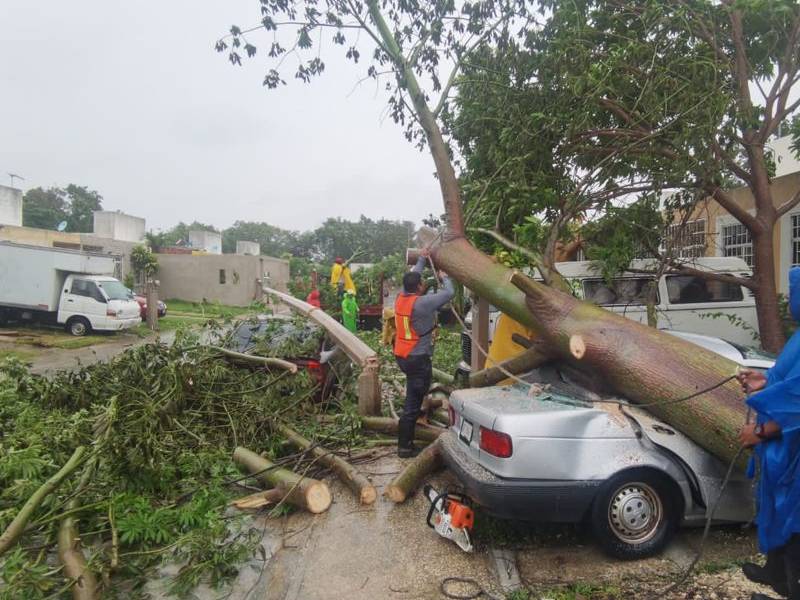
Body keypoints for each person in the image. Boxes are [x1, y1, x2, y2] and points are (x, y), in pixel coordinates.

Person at [737, 267, 800, 600]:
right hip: (785, 454)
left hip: (796, 457)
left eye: (794, 294)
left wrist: (760, 432)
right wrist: (763, 380)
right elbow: (786, 378)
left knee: (796, 525)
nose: (790, 302)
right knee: (778, 514)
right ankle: (775, 574)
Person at [393, 248, 454, 457]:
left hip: (402, 355)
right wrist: (444, 278)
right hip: (416, 358)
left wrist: (421, 258)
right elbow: (448, 294)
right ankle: (404, 447)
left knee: (417, 392)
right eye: (420, 282)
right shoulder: (422, 303)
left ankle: (417, 418)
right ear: (418, 287)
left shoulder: (402, 296)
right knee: (412, 402)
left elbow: (413, 273)